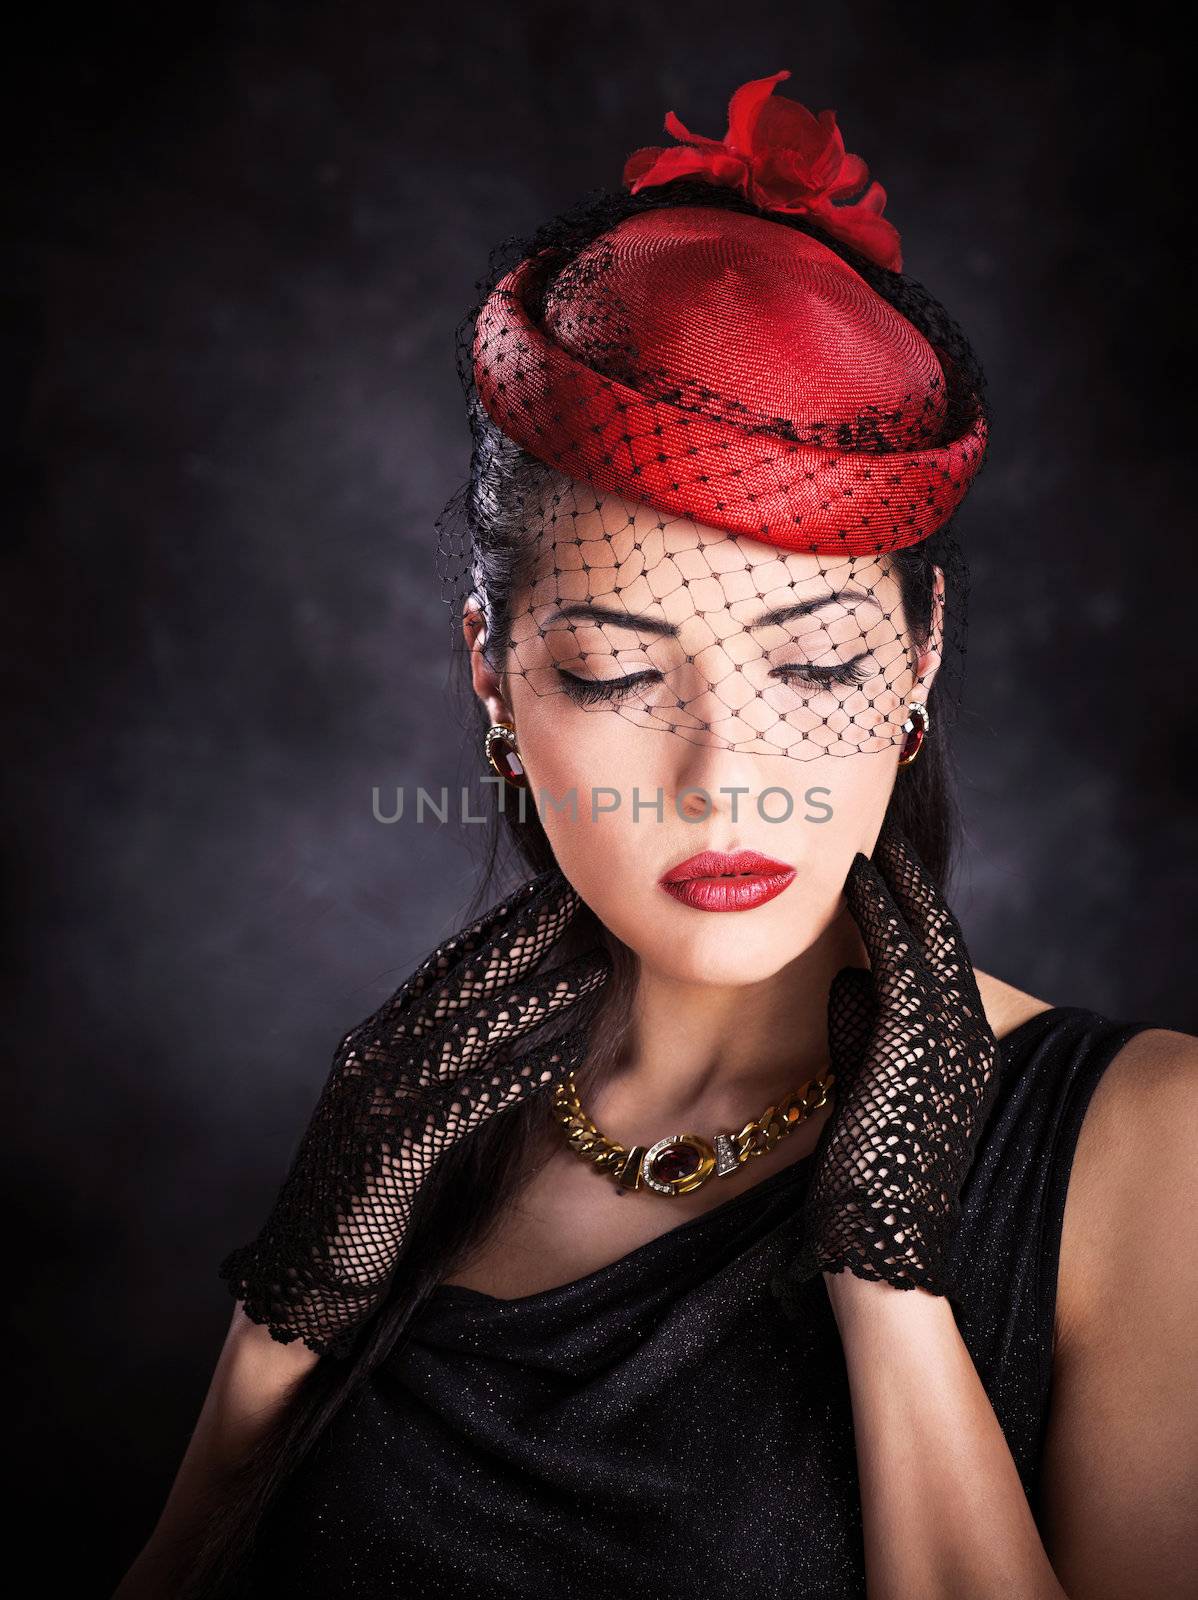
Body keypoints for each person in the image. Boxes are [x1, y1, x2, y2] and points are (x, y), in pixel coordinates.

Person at [114, 71, 1198, 1600]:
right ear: (490, 671)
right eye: (617, 671)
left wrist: (890, 1283)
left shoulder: (1153, 1144)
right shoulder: (424, 1122)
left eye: (812, 662)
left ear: (919, 658)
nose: (721, 776)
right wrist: (283, 1323)